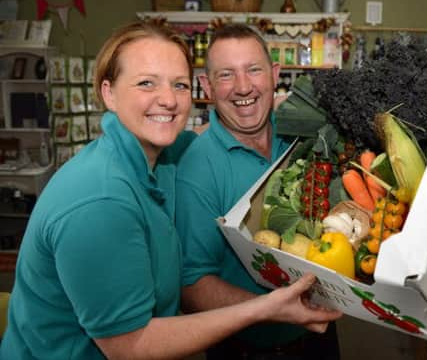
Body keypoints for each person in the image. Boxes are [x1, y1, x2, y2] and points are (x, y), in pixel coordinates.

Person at [0, 20, 340, 359]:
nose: (167, 100)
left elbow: (214, 130)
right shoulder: (100, 200)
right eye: (146, 83)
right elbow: (129, 345)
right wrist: (265, 308)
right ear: (108, 92)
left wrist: (266, 107)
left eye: (178, 85)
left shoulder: (163, 155)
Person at [176, 23, 342, 359]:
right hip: (247, 347)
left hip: (321, 334)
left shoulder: (300, 130)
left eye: (253, 70)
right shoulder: (198, 166)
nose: (242, 87)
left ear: (274, 74)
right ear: (207, 86)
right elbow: (191, 286)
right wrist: (270, 308)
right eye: (226, 75)